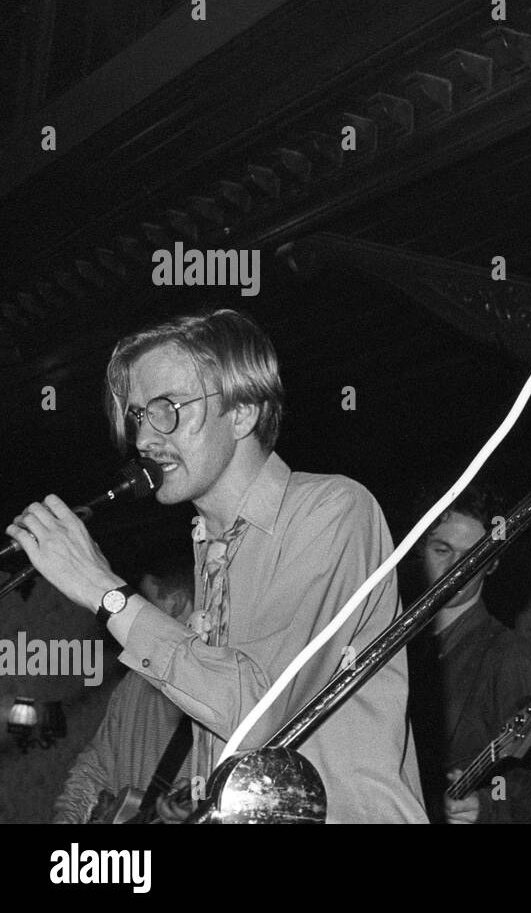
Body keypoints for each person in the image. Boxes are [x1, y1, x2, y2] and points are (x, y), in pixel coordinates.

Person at [7, 309, 427, 823]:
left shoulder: (333, 509)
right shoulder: (210, 549)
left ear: (243, 412)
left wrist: (105, 591)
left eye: (168, 408)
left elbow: (263, 714)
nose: (143, 439)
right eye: (138, 415)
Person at [405, 484, 531, 823]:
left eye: (472, 556)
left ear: (492, 563)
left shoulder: (510, 655)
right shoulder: (397, 646)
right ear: (420, 551)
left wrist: (485, 806)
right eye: (442, 550)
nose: (457, 569)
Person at [53, 559, 196, 823]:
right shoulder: (133, 682)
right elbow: (92, 771)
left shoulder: (234, 687)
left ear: (175, 604)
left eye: (145, 602)